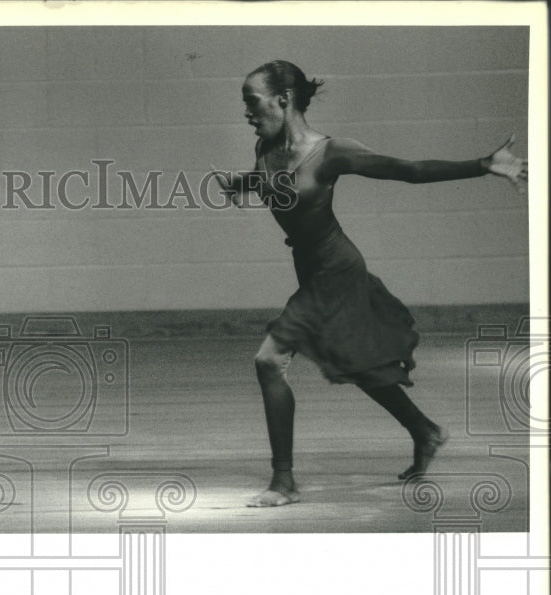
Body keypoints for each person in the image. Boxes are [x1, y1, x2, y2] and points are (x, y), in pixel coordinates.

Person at [216, 60, 528, 508]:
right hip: (312, 270)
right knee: (359, 364)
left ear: (283, 100)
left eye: (252, 101)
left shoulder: (330, 152)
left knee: (268, 361)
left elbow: (410, 169)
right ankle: (426, 431)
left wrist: (483, 164)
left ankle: (282, 482)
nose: (246, 111)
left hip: (336, 273)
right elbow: (274, 184)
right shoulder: (265, 147)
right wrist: (240, 183)